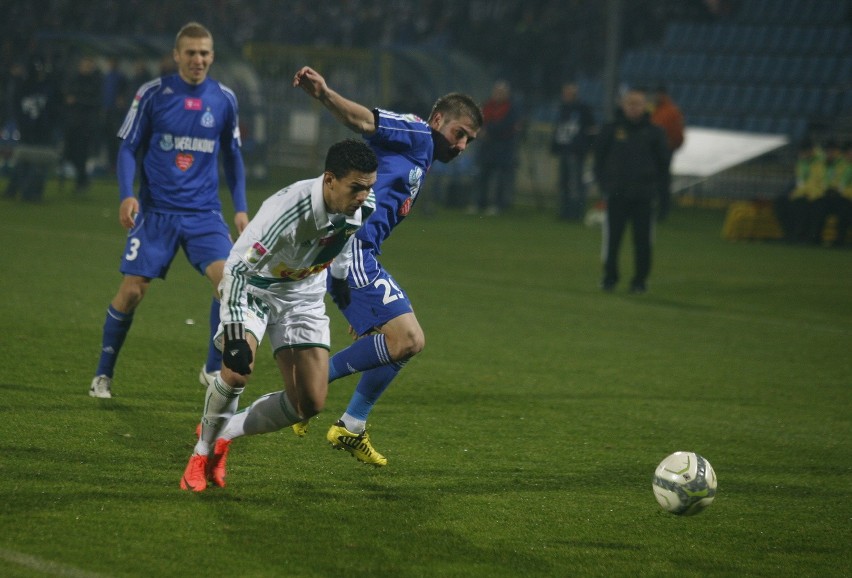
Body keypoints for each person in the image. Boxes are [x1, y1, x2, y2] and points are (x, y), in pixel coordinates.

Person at [289, 65, 482, 465]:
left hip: (359, 252)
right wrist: (324, 93)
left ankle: (351, 426)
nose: (461, 145)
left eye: (469, 140)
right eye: (458, 133)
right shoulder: (415, 132)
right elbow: (364, 120)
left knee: (395, 346)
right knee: (408, 339)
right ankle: (312, 385)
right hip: (351, 249)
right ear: (438, 120)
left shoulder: (424, 154)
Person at [180, 138, 378, 492]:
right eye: (356, 187)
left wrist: (341, 281)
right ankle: (201, 452)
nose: (364, 195)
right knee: (237, 371)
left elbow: (347, 238)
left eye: (369, 187)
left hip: (303, 296)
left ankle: (226, 434)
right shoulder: (287, 212)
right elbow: (237, 270)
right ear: (330, 179)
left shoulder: (361, 205)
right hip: (255, 288)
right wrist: (237, 332)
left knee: (309, 403)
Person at [88, 22, 248, 399]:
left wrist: (240, 209)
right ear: (177, 55)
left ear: (212, 56)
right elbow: (128, 147)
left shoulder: (224, 99)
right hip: (156, 213)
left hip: (203, 214)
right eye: (190, 52)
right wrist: (127, 194)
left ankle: (211, 367)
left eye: (204, 53)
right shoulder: (152, 94)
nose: (198, 59)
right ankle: (102, 375)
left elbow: (233, 156)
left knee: (228, 282)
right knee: (131, 292)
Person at [594, 87, 669, 294]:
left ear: (645, 106)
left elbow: (664, 165)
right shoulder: (611, 129)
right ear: (623, 105)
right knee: (612, 240)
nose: (634, 108)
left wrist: (662, 196)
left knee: (643, 241)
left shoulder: (655, 133)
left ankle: (639, 281)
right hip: (617, 194)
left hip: (643, 196)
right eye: (630, 103)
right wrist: (604, 184)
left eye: (638, 104)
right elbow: (599, 159)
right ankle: (610, 278)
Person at [3, 54, 61, 203]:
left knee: (31, 160)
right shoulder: (32, 86)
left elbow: (54, 109)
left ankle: (23, 190)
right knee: (29, 160)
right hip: (32, 129)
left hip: (39, 129)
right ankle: (26, 191)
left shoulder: (41, 86)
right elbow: (17, 107)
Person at [470, 80, 522, 216]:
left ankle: (498, 205)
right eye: (496, 91)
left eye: (501, 92)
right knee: (483, 176)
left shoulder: (512, 108)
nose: (498, 94)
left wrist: (489, 131)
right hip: (486, 146)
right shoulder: (487, 105)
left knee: (500, 178)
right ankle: (479, 203)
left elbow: (508, 126)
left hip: (503, 147)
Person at [550, 81, 596, 221]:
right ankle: (564, 212)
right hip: (564, 150)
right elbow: (558, 128)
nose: (566, 95)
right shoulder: (563, 108)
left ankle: (575, 213)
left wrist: (585, 147)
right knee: (564, 182)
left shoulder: (583, 109)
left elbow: (591, 129)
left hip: (576, 152)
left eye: (568, 93)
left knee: (575, 183)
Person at [63, 55, 103, 194]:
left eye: (88, 65)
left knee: (81, 153)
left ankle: (81, 182)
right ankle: (83, 179)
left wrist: (77, 100)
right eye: (84, 65)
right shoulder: (74, 80)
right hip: (72, 123)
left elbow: (96, 102)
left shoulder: (95, 81)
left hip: (86, 125)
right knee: (70, 153)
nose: (86, 68)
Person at [774, 139, 824, 244]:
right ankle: (789, 234)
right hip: (801, 193)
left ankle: (799, 236)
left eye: (803, 152)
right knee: (780, 202)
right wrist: (792, 193)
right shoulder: (802, 162)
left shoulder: (820, 161)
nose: (801, 154)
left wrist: (800, 193)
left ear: (810, 151)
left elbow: (816, 182)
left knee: (800, 204)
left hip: (816, 194)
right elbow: (799, 181)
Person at [650, 85, 685, 221]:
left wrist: (669, 147)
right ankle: (658, 209)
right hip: (655, 151)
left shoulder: (669, 111)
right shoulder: (656, 109)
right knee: (657, 181)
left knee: (662, 182)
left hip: (663, 151)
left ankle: (663, 210)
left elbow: (677, 134)